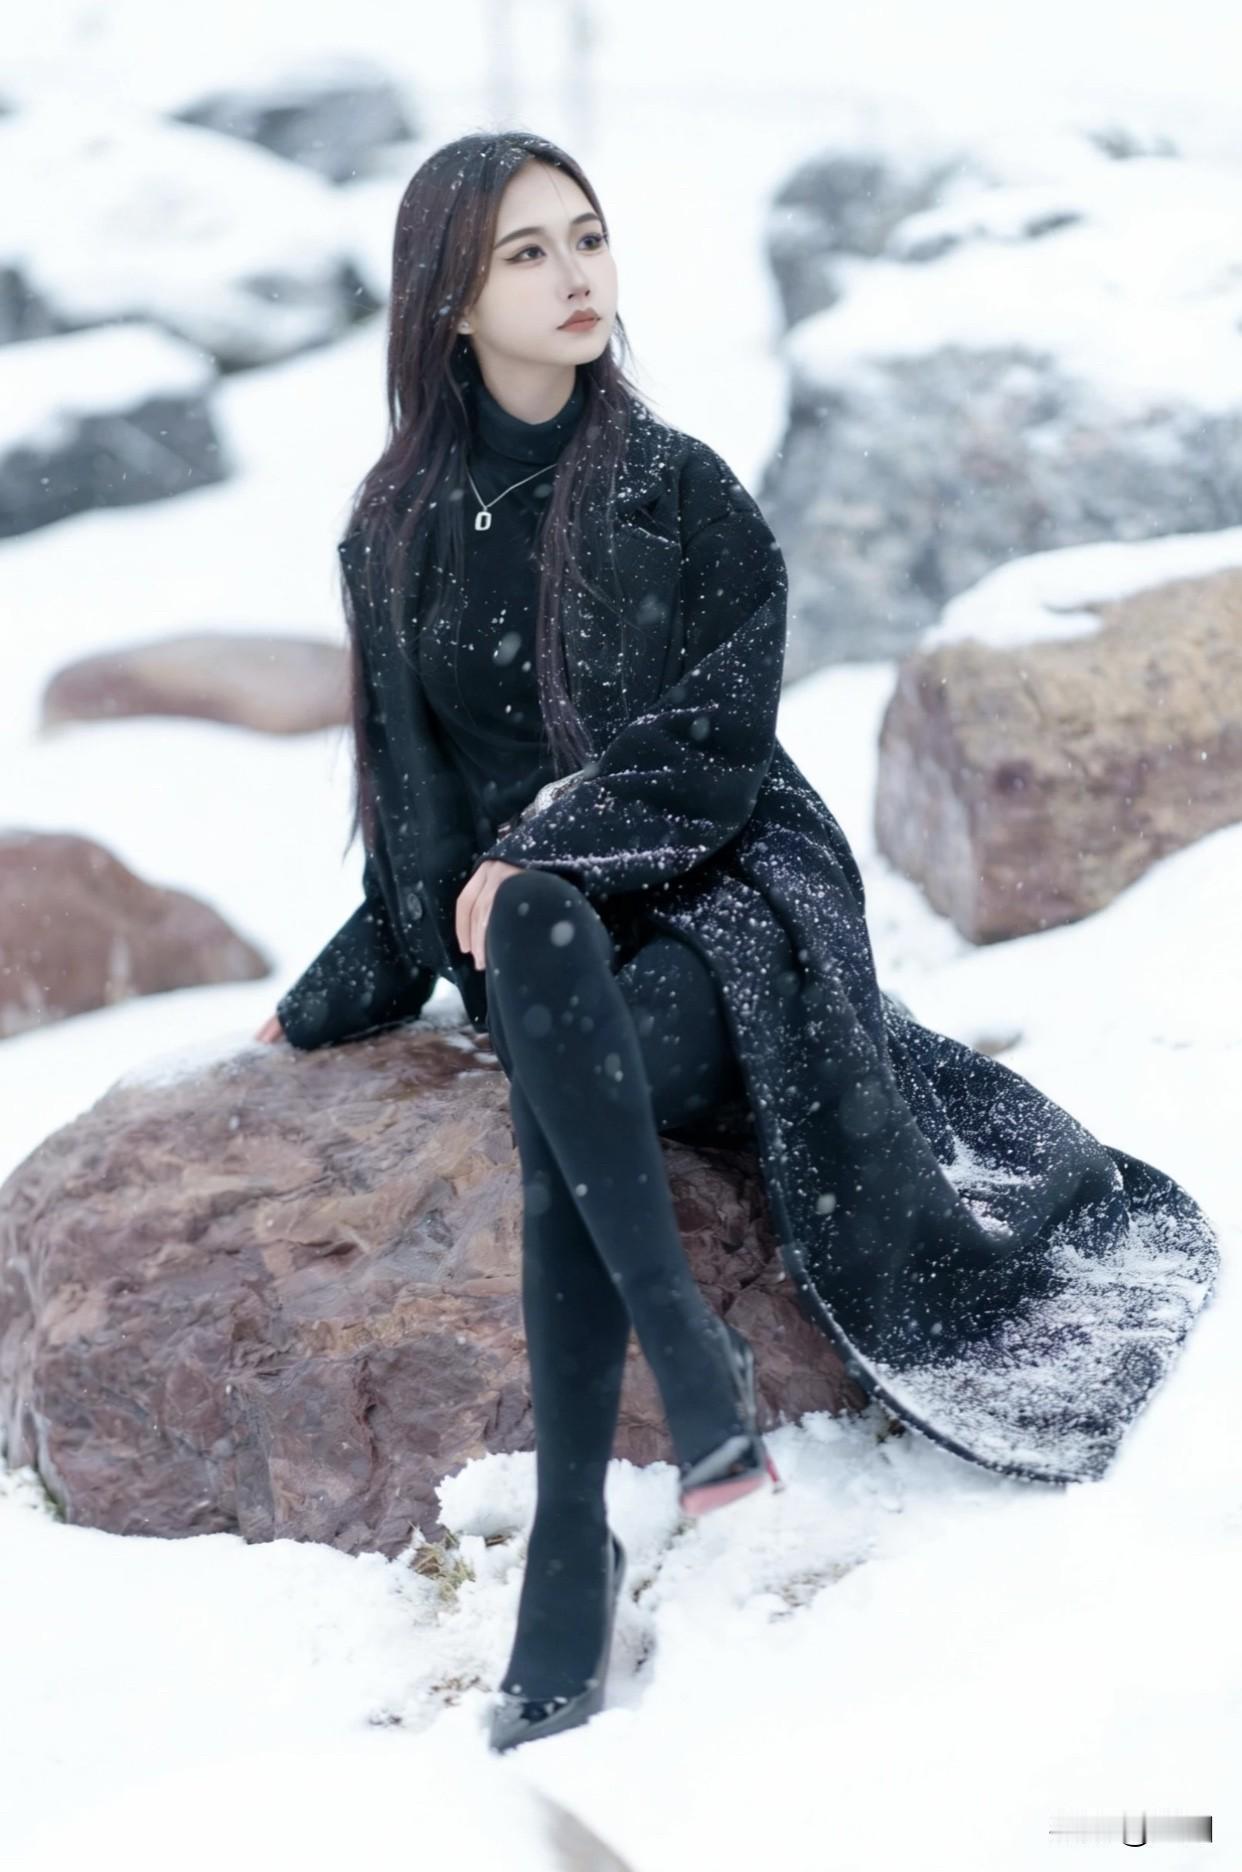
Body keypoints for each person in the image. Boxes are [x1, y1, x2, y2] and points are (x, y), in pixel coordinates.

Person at [258, 131, 1220, 1755]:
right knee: (539, 948)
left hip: (728, 901)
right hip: (542, 938)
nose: (575, 278)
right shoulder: (391, 527)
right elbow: (417, 814)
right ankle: (660, 1405)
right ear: (447, 303)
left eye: (587, 238)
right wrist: (349, 982)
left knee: (552, 988)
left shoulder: (680, 491)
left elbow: (712, 755)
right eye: (525, 255)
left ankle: (574, 1545)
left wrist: (543, 842)